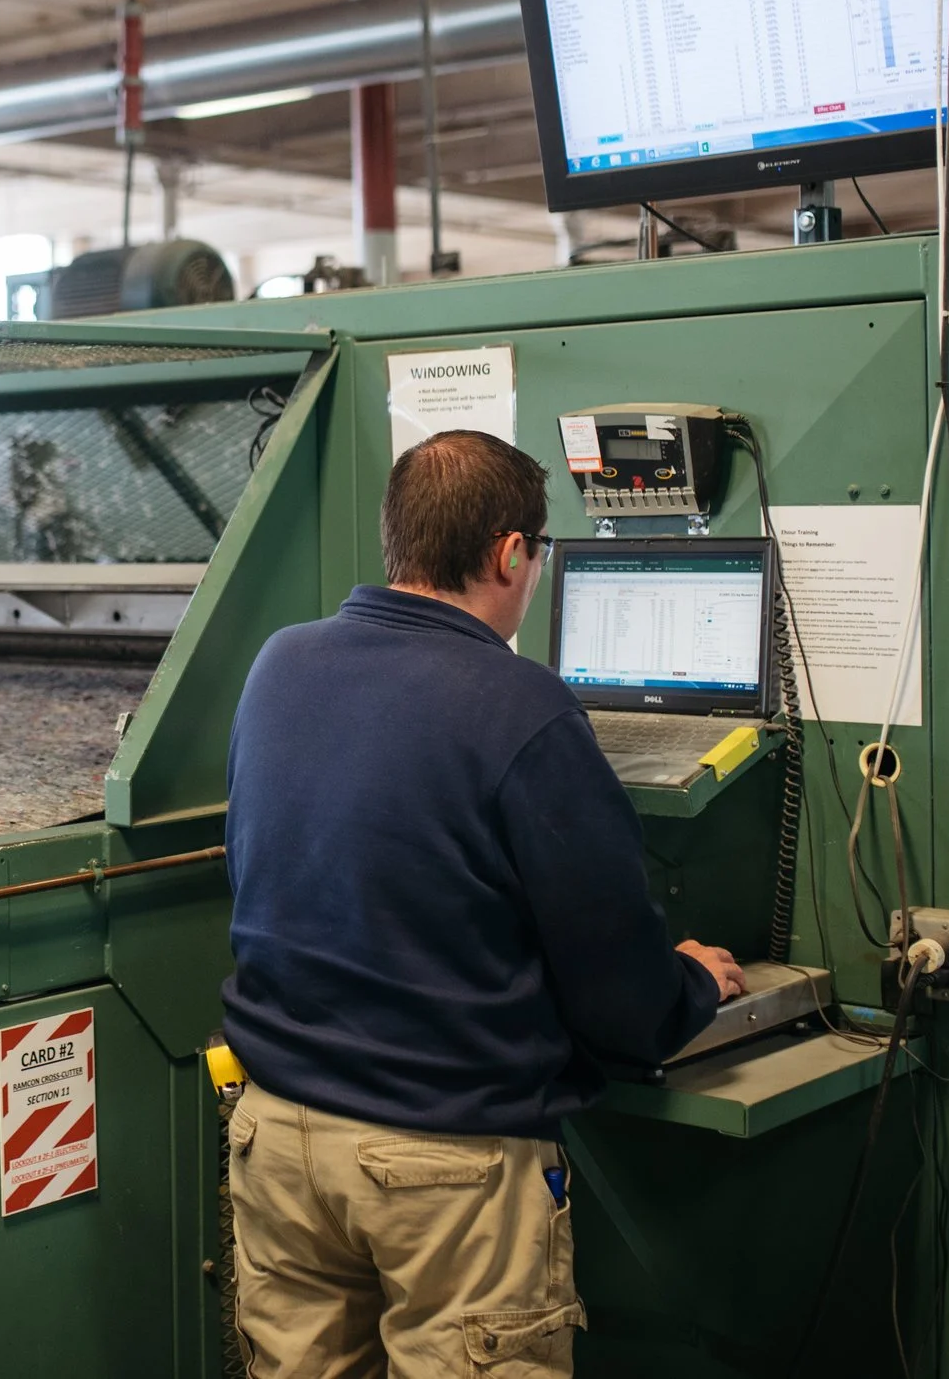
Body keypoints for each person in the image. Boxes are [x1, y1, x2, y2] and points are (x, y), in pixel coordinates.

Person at [221, 428, 745, 1378]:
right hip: (444, 1163)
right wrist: (691, 988)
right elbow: (620, 995)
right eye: (540, 552)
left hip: (277, 1136)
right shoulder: (523, 706)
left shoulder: (279, 666)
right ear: (511, 553)